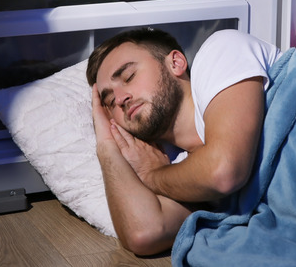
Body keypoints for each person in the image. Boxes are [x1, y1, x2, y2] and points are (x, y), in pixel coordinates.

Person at [86, 27, 281, 255]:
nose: (120, 99)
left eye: (129, 77)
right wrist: (106, 147)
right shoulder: (179, 169)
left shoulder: (220, 52)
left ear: (176, 63)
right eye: (109, 101)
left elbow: (223, 172)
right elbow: (144, 234)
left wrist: (151, 175)